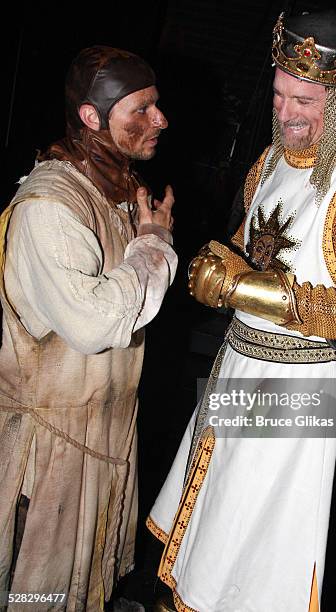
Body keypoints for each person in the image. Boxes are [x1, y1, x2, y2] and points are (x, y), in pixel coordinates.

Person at [148, 10, 336, 612]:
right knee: (213, 521)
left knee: (258, 546)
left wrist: (242, 289)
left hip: (300, 390)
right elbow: (254, 243)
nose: (287, 112)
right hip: (241, 367)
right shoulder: (271, 158)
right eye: (280, 94)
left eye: (305, 100)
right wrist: (219, 260)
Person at [0, 46, 177, 611]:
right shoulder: (50, 205)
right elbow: (95, 321)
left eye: (157, 106)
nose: (161, 120)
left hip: (98, 436)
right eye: (142, 110)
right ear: (91, 118)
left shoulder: (115, 187)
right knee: (37, 594)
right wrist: (153, 246)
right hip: (47, 455)